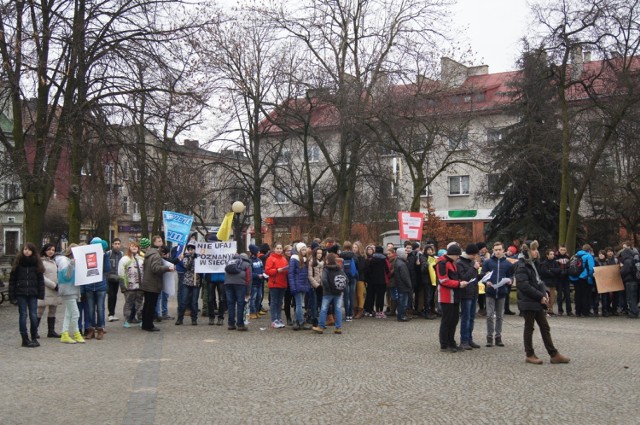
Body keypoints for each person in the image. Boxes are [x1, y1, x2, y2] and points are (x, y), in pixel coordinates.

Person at [514, 240, 570, 365]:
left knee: (545, 327)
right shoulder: (522, 265)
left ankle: (553, 354)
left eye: (536, 249)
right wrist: (540, 296)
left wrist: (545, 292)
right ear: (527, 251)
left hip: (536, 301)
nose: (536, 252)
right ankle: (529, 354)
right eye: (533, 249)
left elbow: (538, 281)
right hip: (528, 301)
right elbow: (524, 286)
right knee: (529, 327)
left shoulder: (533, 264)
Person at [9, 242, 45, 347]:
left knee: (33, 315)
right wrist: (12, 296)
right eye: (25, 249)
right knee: (23, 315)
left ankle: (34, 337)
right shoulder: (18, 263)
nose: (27, 251)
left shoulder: (36, 263)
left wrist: (40, 294)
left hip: (33, 293)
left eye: (29, 249)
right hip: (21, 293)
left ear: (32, 251)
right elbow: (12, 281)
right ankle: (24, 338)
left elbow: (40, 281)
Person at [436, 244, 468, 353]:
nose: (458, 257)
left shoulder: (451, 263)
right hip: (446, 296)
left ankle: (451, 342)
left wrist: (460, 283)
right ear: (453, 255)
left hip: (454, 295)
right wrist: (459, 284)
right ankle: (444, 344)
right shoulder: (442, 263)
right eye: (457, 255)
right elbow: (443, 280)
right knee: (447, 321)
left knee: (454, 320)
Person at [481, 241, 514, 347]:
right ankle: (489, 337)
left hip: (502, 292)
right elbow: (483, 276)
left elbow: (511, 276)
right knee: (489, 316)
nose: (498, 252)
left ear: (503, 250)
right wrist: (487, 281)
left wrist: (510, 281)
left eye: (500, 249)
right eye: (496, 250)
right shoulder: (487, 262)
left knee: (499, 316)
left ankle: (498, 337)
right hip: (490, 292)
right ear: (493, 251)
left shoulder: (508, 264)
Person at [140, 245, 174, 331]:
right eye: (164, 254)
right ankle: (149, 325)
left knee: (147, 305)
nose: (163, 256)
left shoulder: (150, 254)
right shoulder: (157, 256)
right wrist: (167, 268)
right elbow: (155, 268)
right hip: (153, 284)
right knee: (151, 306)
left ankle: (145, 324)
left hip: (147, 283)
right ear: (162, 252)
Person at [56, 244, 85, 344]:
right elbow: (67, 277)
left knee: (68, 313)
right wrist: (71, 265)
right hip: (68, 290)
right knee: (75, 313)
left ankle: (65, 333)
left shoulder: (68, 261)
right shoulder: (65, 262)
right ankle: (76, 333)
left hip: (71, 290)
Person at [83, 237, 110, 340]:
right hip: (89, 285)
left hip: (100, 286)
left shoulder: (105, 255)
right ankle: (90, 329)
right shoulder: (88, 255)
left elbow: (107, 269)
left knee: (100, 308)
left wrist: (103, 257)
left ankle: (100, 329)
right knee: (90, 309)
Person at [313, 253, 346, 334]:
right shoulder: (339, 268)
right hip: (338, 292)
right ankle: (338, 328)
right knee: (338, 309)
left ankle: (321, 327)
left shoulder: (326, 269)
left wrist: (327, 288)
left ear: (327, 260)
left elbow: (324, 280)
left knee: (324, 309)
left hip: (328, 293)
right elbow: (346, 279)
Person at [457, 244, 481, 350]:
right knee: (465, 318)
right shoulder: (460, 263)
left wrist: (484, 275)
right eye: (474, 254)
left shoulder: (472, 262)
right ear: (470, 253)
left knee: (471, 318)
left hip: (473, 293)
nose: (475, 257)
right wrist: (473, 268)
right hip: (465, 294)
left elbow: (474, 278)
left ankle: (469, 339)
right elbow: (464, 278)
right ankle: (464, 341)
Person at [118, 241, 144, 328]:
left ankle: (140, 319)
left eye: (136, 247)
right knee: (129, 303)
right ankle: (127, 320)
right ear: (129, 248)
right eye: (132, 246)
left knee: (139, 304)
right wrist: (123, 286)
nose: (134, 248)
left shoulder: (141, 259)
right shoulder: (125, 259)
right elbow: (121, 273)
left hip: (140, 286)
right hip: (129, 287)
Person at [224, 253, 252, 331]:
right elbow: (249, 278)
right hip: (240, 284)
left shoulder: (230, 262)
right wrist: (248, 291)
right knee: (240, 304)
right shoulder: (247, 264)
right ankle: (240, 324)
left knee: (230, 304)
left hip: (228, 283)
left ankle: (231, 324)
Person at [38, 243, 61, 338]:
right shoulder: (41, 262)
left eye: (53, 250)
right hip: (45, 289)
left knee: (53, 310)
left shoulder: (54, 261)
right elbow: (41, 277)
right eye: (49, 249)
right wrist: (53, 285)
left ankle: (51, 331)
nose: (51, 251)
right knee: (39, 311)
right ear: (45, 250)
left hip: (55, 289)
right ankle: (34, 330)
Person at [289, 242, 312, 330]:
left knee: (300, 304)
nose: (304, 251)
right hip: (297, 285)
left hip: (304, 284)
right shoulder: (294, 259)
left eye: (305, 249)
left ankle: (296, 321)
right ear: (299, 250)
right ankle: (301, 322)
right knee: (299, 304)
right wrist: (293, 287)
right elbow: (291, 274)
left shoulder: (306, 260)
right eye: (302, 249)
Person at [265, 243, 289, 328]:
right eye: (277, 248)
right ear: (274, 249)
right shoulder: (270, 259)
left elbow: (286, 270)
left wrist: (286, 270)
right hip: (274, 283)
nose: (279, 250)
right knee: (274, 302)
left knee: (280, 303)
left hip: (282, 283)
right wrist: (276, 270)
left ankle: (279, 319)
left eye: (280, 248)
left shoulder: (284, 259)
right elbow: (267, 271)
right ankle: (274, 320)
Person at [176, 243, 200, 325]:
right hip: (187, 281)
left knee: (194, 302)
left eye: (193, 249)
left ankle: (194, 319)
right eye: (190, 249)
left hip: (196, 282)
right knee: (183, 300)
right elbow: (186, 266)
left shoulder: (199, 257)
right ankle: (180, 318)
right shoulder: (186, 257)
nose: (191, 250)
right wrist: (191, 258)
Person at [569, 244, 596, 317]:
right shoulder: (588, 256)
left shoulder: (576, 255)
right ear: (589, 250)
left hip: (576, 278)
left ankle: (578, 311)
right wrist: (590, 276)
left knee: (578, 294)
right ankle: (585, 311)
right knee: (586, 295)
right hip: (585, 278)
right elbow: (591, 268)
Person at [364, 246, 391, 318]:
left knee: (374, 296)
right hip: (382, 280)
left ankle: (375, 310)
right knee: (381, 296)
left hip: (373, 280)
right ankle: (380, 311)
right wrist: (388, 276)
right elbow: (388, 269)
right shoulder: (385, 259)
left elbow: (368, 270)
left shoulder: (371, 259)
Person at [618, 247, 639, 319]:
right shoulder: (634, 260)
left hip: (629, 281)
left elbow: (624, 272)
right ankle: (634, 311)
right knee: (634, 298)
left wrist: (621, 269)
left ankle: (634, 312)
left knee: (631, 298)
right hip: (635, 281)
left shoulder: (627, 261)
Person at [339, 241, 358, 321]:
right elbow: (358, 266)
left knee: (346, 297)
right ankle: (351, 314)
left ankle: (346, 315)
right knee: (352, 296)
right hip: (353, 277)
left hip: (344, 277)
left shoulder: (341, 255)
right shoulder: (354, 256)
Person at [106, 238, 123, 322]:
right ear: (112, 244)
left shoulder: (122, 254)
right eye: (115, 243)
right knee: (111, 295)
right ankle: (110, 314)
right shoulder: (108, 254)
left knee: (115, 296)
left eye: (118, 243)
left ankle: (113, 313)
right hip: (109, 278)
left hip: (118, 278)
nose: (117, 245)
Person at [539, 249, 561, 316]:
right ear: (547, 255)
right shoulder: (544, 263)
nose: (552, 255)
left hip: (553, 282)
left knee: (553, 297)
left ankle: (551, 309)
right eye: (550, 254)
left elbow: (558, 270)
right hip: (547, 282)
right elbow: (545, 272)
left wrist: (551, 270)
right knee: (547, 296)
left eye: (553, 254)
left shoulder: (555, 263)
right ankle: (546, 309)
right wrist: (553, 273)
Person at [307, 246, 325, 327]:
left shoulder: (323, 262)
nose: (319, 255)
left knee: (321, 304)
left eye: (321, 253)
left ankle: (321, 321)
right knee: (314, 303)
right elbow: (310, 276)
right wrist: (316, 285)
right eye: (318, 253)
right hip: (313, 286)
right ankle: (314, 320)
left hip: (321, 286)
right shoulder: (311, 262)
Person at [248, 244, 266, 320]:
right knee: (253, 298)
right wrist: (257, 275)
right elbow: (249, 273)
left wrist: (263, 273)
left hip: (259, 282)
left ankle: (256, 311)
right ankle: (252, 312)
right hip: (253, 283)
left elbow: (262, 268)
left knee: (259, 297)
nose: (259, 252)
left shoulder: (259, 260)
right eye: (257, 251)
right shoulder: (250, 261)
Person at [394, 247, 413, 322]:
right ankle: (401, 316)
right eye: (405, 253)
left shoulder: (399, 262)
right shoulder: (402, 264)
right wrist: (409, 285)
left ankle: (402, 315)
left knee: (402, 301)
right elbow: (405, 277)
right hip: (403, 286)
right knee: (403, 302)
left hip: (401, 285)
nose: (406, 254)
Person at [555, 245, 573, 316]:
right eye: (561, 250)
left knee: (568, 295)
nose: (562, 251)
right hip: (559, 278)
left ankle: (569, 311)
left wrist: (566, 271)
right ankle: (560, 310)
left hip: (566, 278)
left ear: (566, 250)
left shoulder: (568, 257)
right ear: (559, 250)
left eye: (564, 250)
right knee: (559, 295)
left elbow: (570, 266)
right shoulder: (555, 257)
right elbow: (554, 267)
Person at [352, 241, 367, 319]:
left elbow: (361, 268)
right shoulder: (352, 256)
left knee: (360, 295)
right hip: (353, 278)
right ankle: (355, 310)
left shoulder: (362, 257)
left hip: (360, 278)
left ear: (359, 248)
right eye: (353, 247)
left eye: (356, 247)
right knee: (354, 295)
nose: (354, 249)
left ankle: (360, 310)